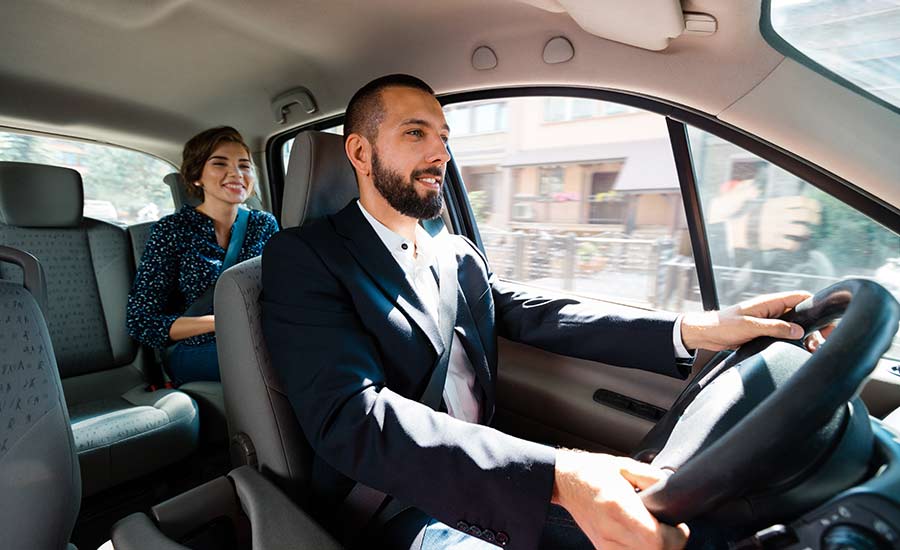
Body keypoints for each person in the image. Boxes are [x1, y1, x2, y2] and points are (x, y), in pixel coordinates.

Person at [260, 75, 824, 550]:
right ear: (359, 153)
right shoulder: (306, 257)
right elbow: (353, 420)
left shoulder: (452, 251)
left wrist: (694, 330)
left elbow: (539, 314)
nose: (441, 153)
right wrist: (556, 474)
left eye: (444, 136)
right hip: (402, 506)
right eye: (415, 134)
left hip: (498, 470)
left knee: (696, 517)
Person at [128, 126, 278, 384]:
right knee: (277, 359)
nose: (236, 173)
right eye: (220, 164)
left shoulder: (264, 225)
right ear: (197, 175)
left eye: (244, 165)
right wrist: (217, 322)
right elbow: (142, 322)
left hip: (260, 335)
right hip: (194, 348)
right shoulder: (172, 230)